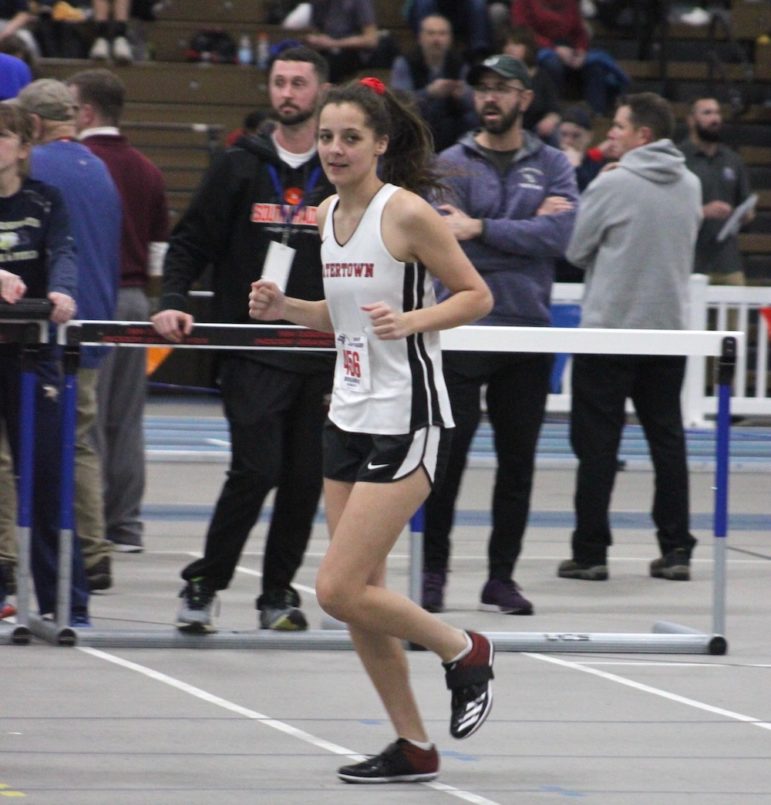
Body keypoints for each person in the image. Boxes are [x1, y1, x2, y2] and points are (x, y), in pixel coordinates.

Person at [248, 75, 495, 784]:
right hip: (348, 414)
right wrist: (285, 308)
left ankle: (463, 648)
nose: (334, 148)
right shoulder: (327, 212)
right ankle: (412, 744)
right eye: (326, 137)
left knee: (334, 588)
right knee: (360, 601)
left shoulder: (407, 212)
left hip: (408, 417)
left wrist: (412, 320)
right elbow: (344, 314)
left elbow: (476, 295)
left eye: (350, 137)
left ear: (380, 143)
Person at [151, 46, 335, 634]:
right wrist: (174, 298)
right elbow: (190, 241)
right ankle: (203, 584)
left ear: (321, 92)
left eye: (299, 83)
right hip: (252, 348)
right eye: (280, 82)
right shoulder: (239, 164)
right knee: (256, 470)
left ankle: (278, 593)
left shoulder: (339, 170)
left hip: (322, 351)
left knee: (304, 480)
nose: (288, 93)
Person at [422, 54, 578, 615]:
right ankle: (432, 572)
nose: (489, 97)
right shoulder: (451, 163)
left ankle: (501, 578)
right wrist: (525, 226)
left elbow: (559, 237)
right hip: (462, 329)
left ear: (525, 99)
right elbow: (446, 239)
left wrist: (481, 227)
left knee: (518, 464)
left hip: (527, 332)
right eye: (482, 87)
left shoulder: (554, 164)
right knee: (446, 461)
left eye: (502, 88)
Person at [558, 92, 702, 582]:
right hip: (666, 333)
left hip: (609, 331)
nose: (611, 134)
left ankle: (591, 552)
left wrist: (601, 188)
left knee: (597, 445)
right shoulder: (691, 184)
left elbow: (576, 251)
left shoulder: (612, 183)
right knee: (667, 441)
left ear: (643, 135)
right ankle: (677, 548)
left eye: (619, 126)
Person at [14, 78, 121, 591]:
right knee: (79, 444)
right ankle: (94, 552)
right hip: (93, 321)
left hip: (41, 325)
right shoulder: (98, 169)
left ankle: (11, 553)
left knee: (18, 450)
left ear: (32, 125)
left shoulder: (34, 168)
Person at [66, 68, 169, 554]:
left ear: (86, 112)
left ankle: (94, 525)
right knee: (127, 419)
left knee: (88, 418)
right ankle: (126, 525)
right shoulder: (148, 169)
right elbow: (159, 250)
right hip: (136, 300)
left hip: (95, 300)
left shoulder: (80, 165)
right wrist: (149, 298)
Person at [0, 102, 89, 625]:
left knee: (45, 475)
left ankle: (64, 603)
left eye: (2, 137)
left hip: (30, 356)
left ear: (23, 147)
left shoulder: (45, 199)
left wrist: (61, 290)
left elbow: (64, 252)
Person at [679, 96, 755, 287]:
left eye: (717, 113)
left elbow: (746, 204)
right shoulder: (679, 159)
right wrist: (703, 211)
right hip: (689, 259)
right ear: (691, 120)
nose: (715, 119)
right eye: (707, 113)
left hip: (728, 261)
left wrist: (744, 215)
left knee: (736, 303)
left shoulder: (732, 160)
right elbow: (666, 209)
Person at [512, 0, 628, 114]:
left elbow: (579, 32)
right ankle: (553, 112)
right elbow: (522, 31)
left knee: (595, 65)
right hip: (537, 49)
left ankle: (597, 114)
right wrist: (554, 49)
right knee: (552, 64)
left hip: (568, 49)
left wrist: (581, 51)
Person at [389, 13, 476, 152]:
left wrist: (462, 95)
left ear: (450, 38)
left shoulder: (459, 63)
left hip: (452, 124)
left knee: (471, 118)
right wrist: (429, 93)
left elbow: (473, 101)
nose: (436, 39)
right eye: (431, 33)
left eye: (442, 34)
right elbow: (399, 102)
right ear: (420, 37)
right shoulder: (404, 62)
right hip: (418, 122)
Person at [303, 0, 395, 84]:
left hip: (356, 53)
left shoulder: (358, 2)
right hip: (328, 49)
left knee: (329, 65)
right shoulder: (318, 3)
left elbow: (371, 40)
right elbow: (316, 31)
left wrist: (332, 43)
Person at [501, 25, 561, 145]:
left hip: (536, 133)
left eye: (516, 44)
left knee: (554, 132)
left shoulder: (541, 76)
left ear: (528, 47)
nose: (509, 48)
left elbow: (554, 108)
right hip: (505, 128)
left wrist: (550, 119)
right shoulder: (498, 76)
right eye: (507, 44)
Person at [404, 0, 493, 61]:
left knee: (478, 4)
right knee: (424, 2)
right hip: (429, 6)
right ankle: (424, 54)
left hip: (462, 8)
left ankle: (479, 54)